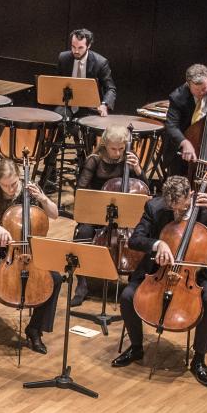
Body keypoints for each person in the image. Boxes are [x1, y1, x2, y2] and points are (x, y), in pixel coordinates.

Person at [112, 175, 207, 387]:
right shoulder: (155, 206)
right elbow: (136, 239)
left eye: (182, 209)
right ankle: (136, 347)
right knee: (127, 296)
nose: (176, 213)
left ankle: (199, 359)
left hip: (196, 274)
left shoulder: (206, 211)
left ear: (190, 196)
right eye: (171, 208)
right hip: (158, 271)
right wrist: (157, 244)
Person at [0, 157, 61, 359]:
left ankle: (35, 330)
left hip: (26, 251)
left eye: (14, 184)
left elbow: (54, 214)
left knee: (55, 278)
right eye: (5, 186)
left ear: (19, 177)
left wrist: (43, 199)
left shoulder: (29, 188)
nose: (10, 189)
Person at [69, 123, 144, 306]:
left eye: (121, 148)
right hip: (97, 215)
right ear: (104, 144)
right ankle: (83, 284)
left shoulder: (130, 158)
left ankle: (134, 284)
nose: (117, 153)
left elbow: (144, 189)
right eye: (113, 149)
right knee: (84, 232)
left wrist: (138, 170)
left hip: (124, 218)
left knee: (140, 238)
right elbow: (81, 191)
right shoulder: (94, 160)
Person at [55, 28, 118, 118]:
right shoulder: (63, 58)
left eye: (80, 47)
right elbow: (56, 82)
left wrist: (104, 105)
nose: (76, 51)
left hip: (89, 107)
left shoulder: (100, 62)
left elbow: (111, 89)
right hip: (67, 104)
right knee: (58, 117)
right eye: (73, 47)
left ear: (88, 46)